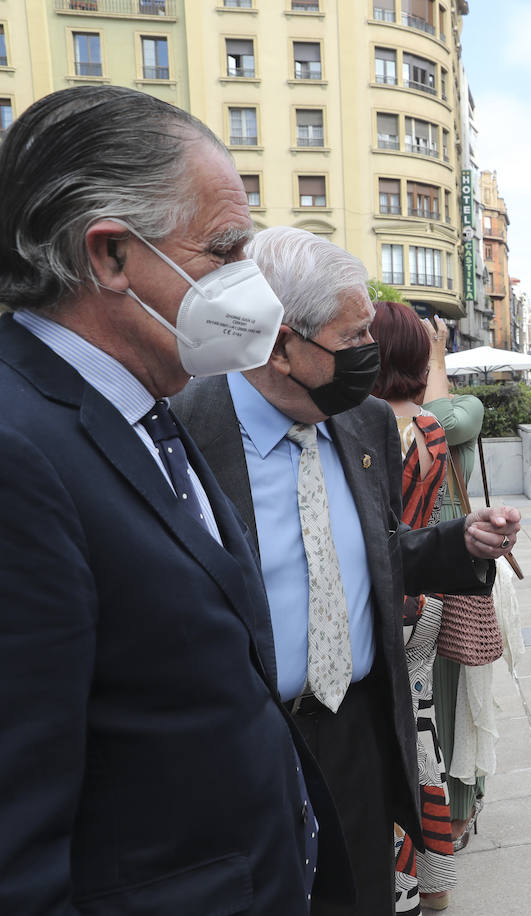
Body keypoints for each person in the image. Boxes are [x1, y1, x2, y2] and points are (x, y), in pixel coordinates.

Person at [0, 86, 337, 913]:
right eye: (225, 250)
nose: (250, 285)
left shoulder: (144, 400)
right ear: (109, 256)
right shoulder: (17, 452)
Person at [173, 227, 521, 916]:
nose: (369, 355)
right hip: (250, 742)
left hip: (358, 729)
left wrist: (461, 544)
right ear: (277, 348)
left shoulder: (361, 424)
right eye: (352, 339)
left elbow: (374, 554)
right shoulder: (183, 432)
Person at [367, 301, 459, 914]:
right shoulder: (429, 426)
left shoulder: (370, 426)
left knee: (387, 740)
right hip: (427, 600)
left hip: (389, 601)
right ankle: (435, 879)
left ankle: (400, 882)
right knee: (422, 729)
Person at [417, 316, 495, 858]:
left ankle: (458, 808)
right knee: (433, 700)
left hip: (454, 573)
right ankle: (441, 807)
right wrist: (436, 357)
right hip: (417, 570)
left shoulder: (457, 414)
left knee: (459, 694)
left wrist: (434, 360)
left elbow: (443, 418)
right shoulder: (375, 414)